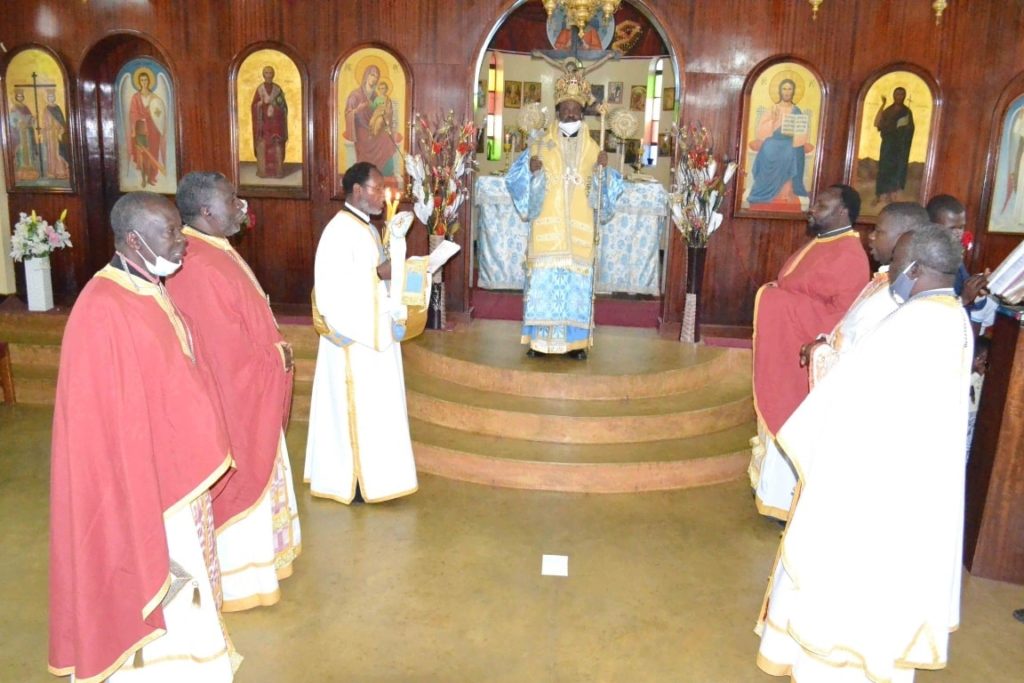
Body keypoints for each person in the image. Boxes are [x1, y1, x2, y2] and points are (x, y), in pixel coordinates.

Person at [756, 224, 973, 683]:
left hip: (872, 486)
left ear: (913, 270)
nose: (888, 273)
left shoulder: (913, 325)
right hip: (910, 483)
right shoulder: (950, 316)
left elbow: (851, 398)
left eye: (896, 266)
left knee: (851, 590)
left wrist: (821, 359)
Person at [49, 192, 238, 681]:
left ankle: (194, 659)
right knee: (153, 569)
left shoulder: (149, 284)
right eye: (169, 234)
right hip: (138, 483)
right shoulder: (101, 307)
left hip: (176, 473)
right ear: (133, 240)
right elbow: (99, 423)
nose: (181, 243)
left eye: (179, 230)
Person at [166, 172, 301, 611]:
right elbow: (223, 354)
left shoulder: (214, 249)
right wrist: (274, 360)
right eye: (231, 199)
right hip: (234, 401)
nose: (241, 205)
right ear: (206, 211)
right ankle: (243, 581)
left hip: (250, 390)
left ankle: (263, 567)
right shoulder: (198, 264)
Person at [749, 184, 869, 520]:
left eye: (822, 204)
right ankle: (767, 492)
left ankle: (784, 502)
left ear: (844, 211)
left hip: (802, 355)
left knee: (791, 424)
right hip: (786, 346)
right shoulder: (824, 242)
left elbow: (842, 318)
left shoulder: (849, 254)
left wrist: (777, 304)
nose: (812, 209)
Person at [304, 161, 418, 503]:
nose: (383, 197)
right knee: (357, 411)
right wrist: (380, 273)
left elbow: (373, 273)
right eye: (376, 189)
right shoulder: (338, 231)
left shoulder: (366, 227)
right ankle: (352, 479)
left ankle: (377, 475)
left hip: (374, 335)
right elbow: (331, 288)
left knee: (378, 414)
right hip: (355, 341)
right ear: (357, 191)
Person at [505, 61, 623, 359]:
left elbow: (604, 194)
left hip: (579, 229)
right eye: (565, 109)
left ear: (582, 113)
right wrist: (531, 172)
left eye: (576, 109)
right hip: (548, 227)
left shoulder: (595, 148)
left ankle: (576, 343)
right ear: (557, 111)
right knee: (544, 283)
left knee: (575, 286)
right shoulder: (539, 145)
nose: (570, 114)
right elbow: (515, 180)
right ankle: (538, 343)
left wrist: (603, 172)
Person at [802, 201, 929, 384]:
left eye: (879, 231)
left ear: (903, 239)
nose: (870, 237)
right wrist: (825, 342)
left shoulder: (895, 297)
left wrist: (819, 353)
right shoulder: (883, 282)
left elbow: (865, 366)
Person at [746, 78, 814, 210]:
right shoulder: (773, 108)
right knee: (767, 150)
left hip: (789, 142)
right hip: (772, 141)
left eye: (789, 89)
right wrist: (775, 120)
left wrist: (795, 136)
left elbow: (802, 132)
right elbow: (761, 131)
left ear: (793, 91)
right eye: (784, 89)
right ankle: (762, 189)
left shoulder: (796, 110)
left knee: (790, 153)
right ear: (780, 91)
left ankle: (785, 193)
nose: (787, 92)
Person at [343, 65, 401, 180]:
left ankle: (385, 172)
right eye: (372, 75)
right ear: (366, 76)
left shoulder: (376, 95)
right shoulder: (355, 95)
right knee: (372, 139)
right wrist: (357, 110)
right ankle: (366, 174)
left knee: (387, 138)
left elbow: (380, 112)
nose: (374, 78)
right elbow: (348, 114)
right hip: (360, 130)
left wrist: (387, 112)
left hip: (374, 127)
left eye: (377, 76)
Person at [874, 87, 915, 204]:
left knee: (898, 168)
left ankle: (894, 194)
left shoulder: (907, 112)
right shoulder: (888, 110)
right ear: (894, 96)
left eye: (902, 94)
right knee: (885, 167)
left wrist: (906, 129)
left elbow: (911, 128)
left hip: (900, 146)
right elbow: (878, 124)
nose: (899, 97)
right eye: (897, 94)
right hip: (888, 144)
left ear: (904, 96)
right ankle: (882, 194)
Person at [127, 70, 167, 187]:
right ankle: (144, 178)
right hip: (140, 129)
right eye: (142, 80)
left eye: (145, 80)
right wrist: (140, 119)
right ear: (139, 82)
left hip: (153, 130)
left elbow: (158, 113)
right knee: (143, 155)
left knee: (153, 153)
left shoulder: (154, 97)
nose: (144, 82)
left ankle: (152, 177)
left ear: (149, 81)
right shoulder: (136, 97)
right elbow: (133, 113)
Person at [251, 66, 288, 178]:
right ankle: (263, 172)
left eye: (270, 72)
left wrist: (275, 107)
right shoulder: (260, 89)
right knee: (262, 144)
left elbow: (284, 107)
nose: (268, 74)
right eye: (266, 72)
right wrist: (261, 103)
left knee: (277, 146)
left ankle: (278, 172)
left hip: (276, 125)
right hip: (263, 125)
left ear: (273, 74)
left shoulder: (278, 89)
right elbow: (254, 106)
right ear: (263, 74)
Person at [41, 91, 70, 179]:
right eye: (49, 97)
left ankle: (61, 171)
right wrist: (45, 130)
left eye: (52, 97)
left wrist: (61, 131)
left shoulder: (57, 108)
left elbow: (62, 122)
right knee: (51, 152)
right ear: (47, 98)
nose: (51, 98)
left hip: (57, 134)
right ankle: (52, 172)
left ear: (54, 97)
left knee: (59, 152)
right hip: (50, 135)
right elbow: (45, 122)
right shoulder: (46, 109)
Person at [10, 91, 38, 179]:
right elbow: (12, 121)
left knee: (29, 151)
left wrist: (33, 118)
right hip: (19, 134)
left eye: (21, 96)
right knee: (21, 151)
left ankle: (30, 170)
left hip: (27, 133)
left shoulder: (25, 107)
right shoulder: (14, 108)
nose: (20, 97)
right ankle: (21, 171)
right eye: (18, 96)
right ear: (16, 97)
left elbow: (29, 119)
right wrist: (18, 124)